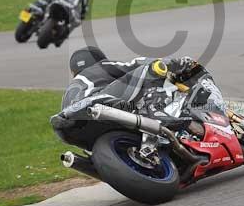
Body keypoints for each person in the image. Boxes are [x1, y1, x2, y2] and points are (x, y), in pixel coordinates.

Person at [50, 46, 212, 149]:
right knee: (150, 69)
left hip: (71, 130)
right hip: (98, 104)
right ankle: (158, 114)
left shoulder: (69, 92)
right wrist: (176, 64)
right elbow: (138, 64)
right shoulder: (100, 67)